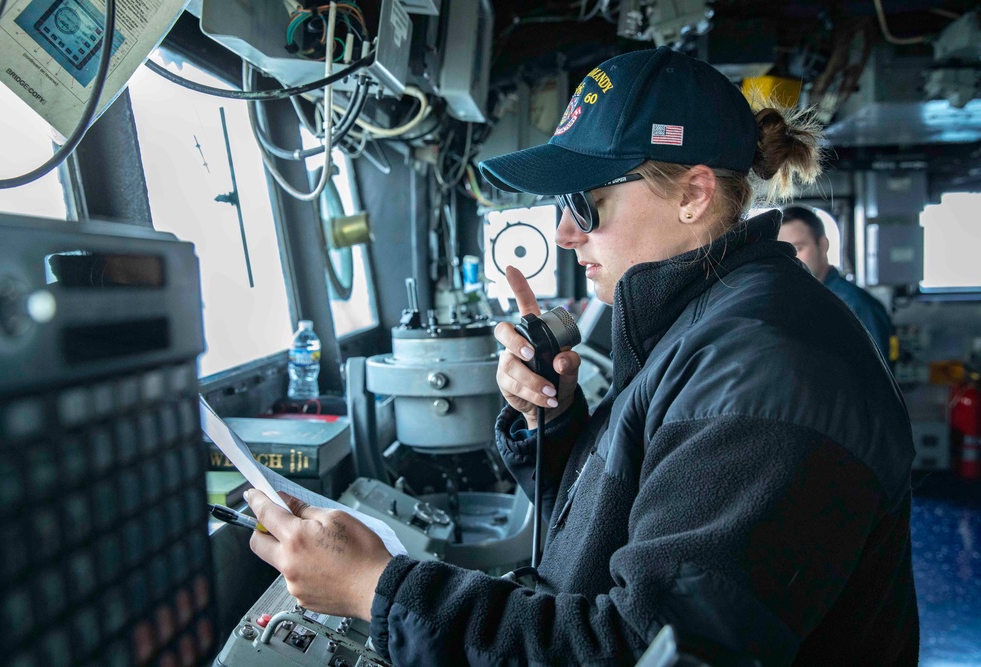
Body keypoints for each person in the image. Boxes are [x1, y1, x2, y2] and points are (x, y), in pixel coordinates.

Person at [244, 47, 919, 665]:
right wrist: (556, 420)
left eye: (585, 202)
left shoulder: (766, 373)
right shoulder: (700, 323)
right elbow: (642, 515)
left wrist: (377, 588)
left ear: (693, 193)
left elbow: (638, 649)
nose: (565, 233)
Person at [778, 205, 893, 360]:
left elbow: (877, 377)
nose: (792, 258)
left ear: (823, 245)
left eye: (798, 248)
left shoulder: (857, 306)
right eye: (785, 251)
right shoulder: (794, 300)